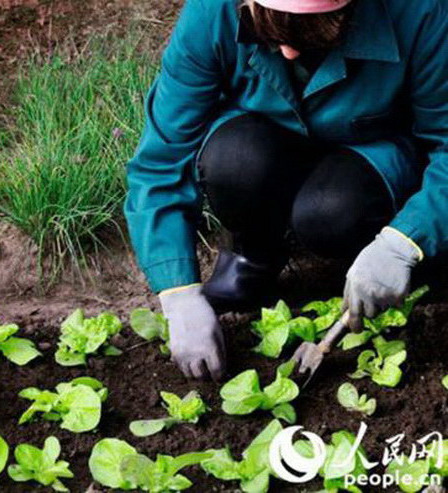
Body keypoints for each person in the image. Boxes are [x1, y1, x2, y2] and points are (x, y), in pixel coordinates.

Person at [124, 0, 447, 380]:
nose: (290, 51)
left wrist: (406, 241)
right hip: (262, 139)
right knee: (236, 161)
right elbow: (162, 158)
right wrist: (176, 291)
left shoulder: (419, 13)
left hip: (371, 148)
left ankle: (373, 262)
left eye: (311, 33)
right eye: (274, 30)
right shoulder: (214, 12)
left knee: (330, 212)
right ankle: (253, 256)